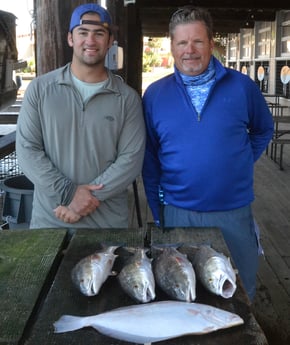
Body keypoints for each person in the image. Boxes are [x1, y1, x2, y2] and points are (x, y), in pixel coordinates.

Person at [142, 6, 274, 301]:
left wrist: (238, 163)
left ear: (211, 43)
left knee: (239, 292)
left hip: (233, 212)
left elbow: (263, 129)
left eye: (198, 41)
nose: (190, 50)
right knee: (181, 293)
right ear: (172, 46)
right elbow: (150, 156)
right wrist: (157, 209)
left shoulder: (242, 87)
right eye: (182, 43)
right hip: (178, 211)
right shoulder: (155, 94)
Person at [16, 3, 145, 229]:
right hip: (51, 221)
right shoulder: (40, 89)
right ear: (70, 38)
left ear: (110, 41)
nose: (90, 41)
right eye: (83, 33)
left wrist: (84, 200)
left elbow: (130, 160)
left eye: (99, 34)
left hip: (108, 227)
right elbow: (27, 150)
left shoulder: (127, 98)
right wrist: (68, 193)